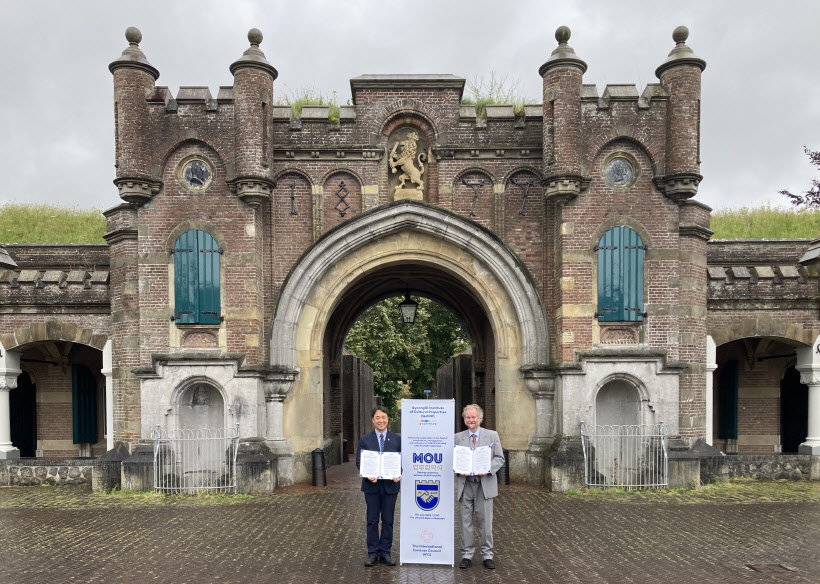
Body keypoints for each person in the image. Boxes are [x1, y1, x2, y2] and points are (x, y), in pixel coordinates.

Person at [454, 404, 504, 570]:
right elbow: (454, 460)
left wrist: (487, 468)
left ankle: (487, 554)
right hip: (465, 483)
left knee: (485, 522)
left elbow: (500, 458)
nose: (470, 420)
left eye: (473, 417)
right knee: (465, 522)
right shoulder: (457, 438)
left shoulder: (492, 435)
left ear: (480, 419)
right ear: (464, 419)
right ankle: (467, 554)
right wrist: (459, 468)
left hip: (484, 484)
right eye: (468, 417)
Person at [356, 405, 401, 567]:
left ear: (388, 419)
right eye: (377, 418)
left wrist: (398, 473)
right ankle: (373, 553)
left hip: (390, 486)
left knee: (388, 520)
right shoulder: (365, 440)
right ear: (372, 420)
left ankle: (386, 552)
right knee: (372, 520)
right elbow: (359, 462)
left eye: (384, 417)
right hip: (372, 486)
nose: (381, 420)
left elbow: (401, 462)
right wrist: (367, 474)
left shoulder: (397, 439)